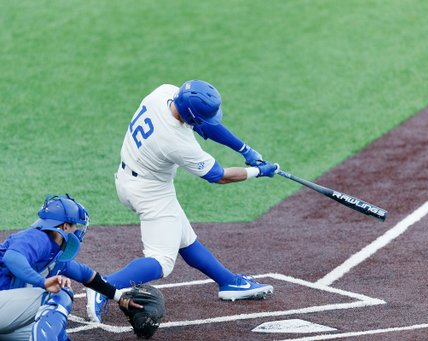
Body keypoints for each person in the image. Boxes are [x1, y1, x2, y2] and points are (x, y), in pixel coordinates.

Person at [86, 80, 278, 322]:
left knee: (184, 239)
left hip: (131, 178)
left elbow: (205, 125)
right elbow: (218, 176)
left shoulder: (164, 93)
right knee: (162, 261)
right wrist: (259, 172)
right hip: (150, 192)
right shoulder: (177, 141)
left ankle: (228, 282)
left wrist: (245, 149)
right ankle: (102, 286)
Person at [0, 194, 141, 340]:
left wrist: (121, 298)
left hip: (5, 314)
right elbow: (12, 258)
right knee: (60, 292)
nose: (77, 231)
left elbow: (86, 275)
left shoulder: (55, 254)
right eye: (75, 226)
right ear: (65, 226)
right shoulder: (38, 237)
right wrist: (42, 282)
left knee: (57, 335)